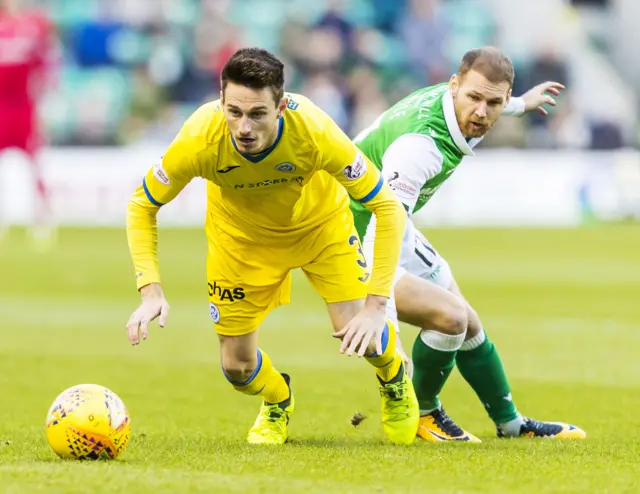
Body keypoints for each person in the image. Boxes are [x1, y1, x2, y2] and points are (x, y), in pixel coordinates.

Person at [125, 48, 419, 446]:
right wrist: (150, 289)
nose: (243, 127)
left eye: (257, 114)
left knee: (359, 332)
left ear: (281, 107)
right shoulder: (199, 137)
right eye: (233, 112)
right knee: (237, 369)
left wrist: (376, 305)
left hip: (320, 229)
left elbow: (387, 206)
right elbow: (142, 203)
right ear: (222, 100)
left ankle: (394, 378)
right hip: (241, 244)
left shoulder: (313, 129)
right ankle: (279, 398)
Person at [351, 46, 586, 442]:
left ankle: (512, 425)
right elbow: (381, 231)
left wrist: (522, 105)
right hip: (352, 236)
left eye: (494, 103)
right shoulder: (419, 147)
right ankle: (421, 413)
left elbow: (493, 98)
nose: (481, 111)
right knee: (451, 318)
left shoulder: (465, 102)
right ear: (454, 85)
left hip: (387, 220)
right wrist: (383, 322)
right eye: (474, 98)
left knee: (469, 322)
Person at [0, 0, 57, 244]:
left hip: (24, 105)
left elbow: (44, 67)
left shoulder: (32, 28)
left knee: (35, 164)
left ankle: (42, 218)